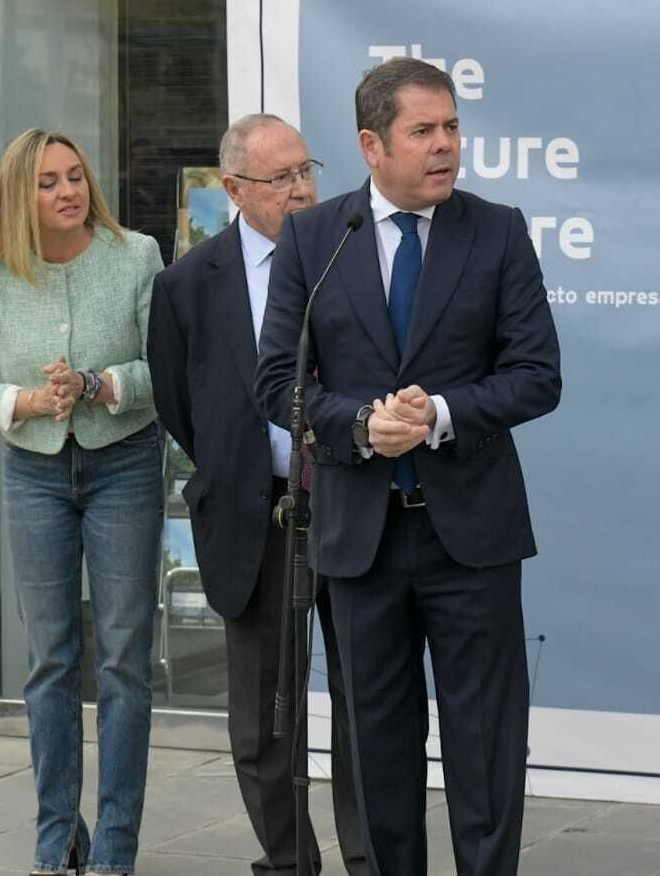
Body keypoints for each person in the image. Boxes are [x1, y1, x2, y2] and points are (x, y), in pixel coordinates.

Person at [255, 58, 561, 876]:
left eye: (452, 127)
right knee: (378, 755)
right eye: (423, 131)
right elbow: (279, 382)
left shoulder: (496, 230)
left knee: (487, 750)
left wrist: (442, 415)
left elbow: (537, 374)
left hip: (474, 538)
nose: (445, 146)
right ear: (370, 143)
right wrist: (359, 424)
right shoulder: (317, 239)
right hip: (362, 543)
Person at [147, 113, 371, 876]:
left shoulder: (354, 252)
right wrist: (245, 461)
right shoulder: (187, 284)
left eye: (306, 169)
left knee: (365, 702)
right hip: (254, 510)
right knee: (265, 718)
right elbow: (183, 401)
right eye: (281, 178)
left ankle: (371, 860)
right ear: (234, 189)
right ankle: (290, 862)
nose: (303, 188)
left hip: (349, 501)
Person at [0, 128, 165, 876]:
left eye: (75, 176)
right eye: (48, 182)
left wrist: (102, 384)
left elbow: (166, 369)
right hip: (35, 471)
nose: (68, 190)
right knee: (50, 661)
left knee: (124, 661)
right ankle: (55, 840)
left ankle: (114, 847)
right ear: (20, 195)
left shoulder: (135, 255)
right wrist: (29, 400)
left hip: (123, 465)